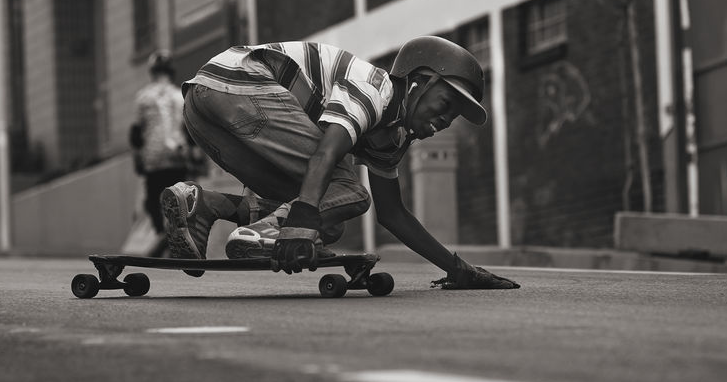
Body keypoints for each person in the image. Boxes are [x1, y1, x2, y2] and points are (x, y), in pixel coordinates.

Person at [160, 37, 519, 289]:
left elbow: (394, 215)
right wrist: (299, 222)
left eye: (452, 118)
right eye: (444, 106)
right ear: (418, 84)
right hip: (239, 86)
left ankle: (203, 206)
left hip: (200, 104)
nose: (444, 122)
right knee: (345, 193)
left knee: (327, 220)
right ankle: (261, 232)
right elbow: (327, 154)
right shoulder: (374, 87)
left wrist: (459, 270)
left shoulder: (388, 137)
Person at [129, 50, 201, 256]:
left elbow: (136, 133)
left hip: (153, 158)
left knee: (153, 201)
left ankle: (163, 235)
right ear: (172, 72)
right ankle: (174, 236)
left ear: (152, 72)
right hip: (178, 157)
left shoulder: (143, 97)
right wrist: (194, 153)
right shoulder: (179, 95)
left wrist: (137, 157)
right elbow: (188, 129)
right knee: (178, 199)